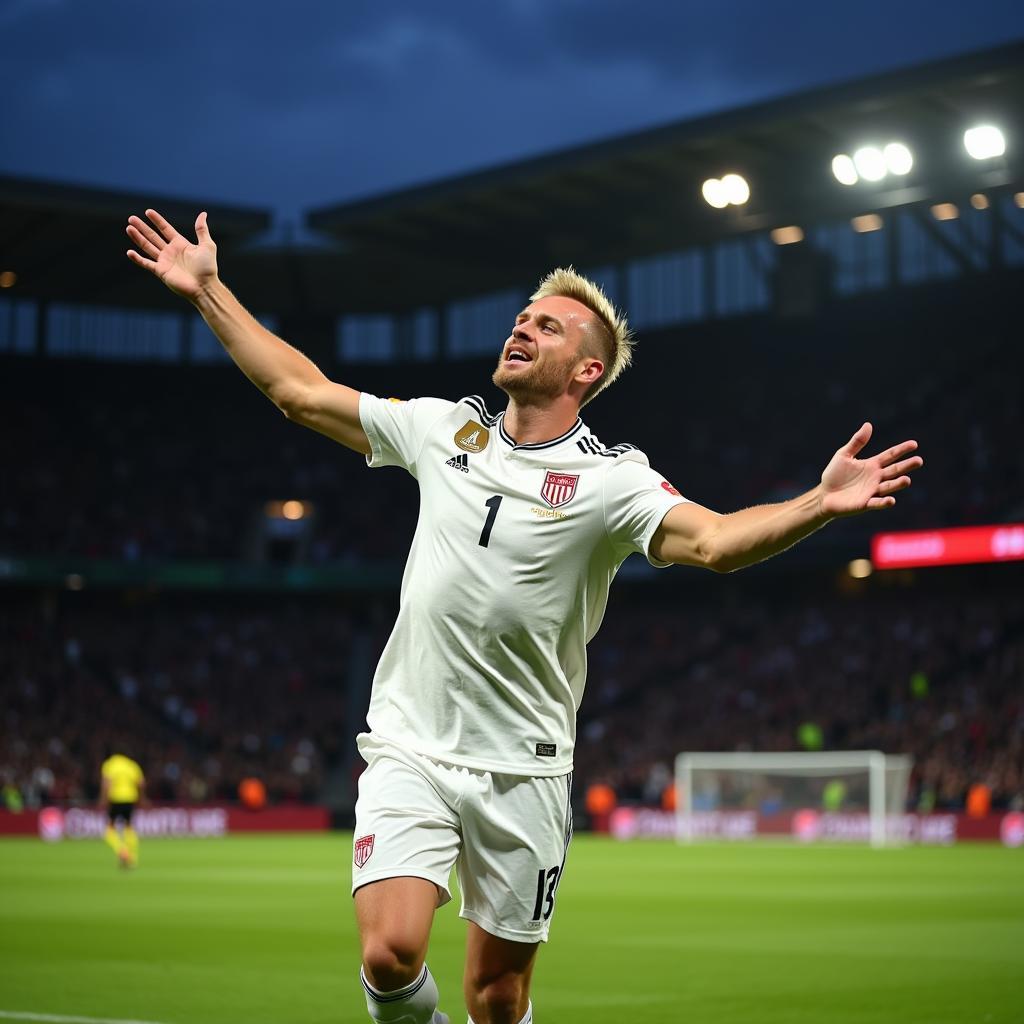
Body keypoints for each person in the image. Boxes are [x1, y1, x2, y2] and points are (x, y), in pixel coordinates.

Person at [126, 209, 923, 1024]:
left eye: (547, 326)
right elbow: (300, 393)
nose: (522, 328)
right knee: (389, 954)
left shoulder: (614, 482)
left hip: (525, 768)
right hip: (411, 744)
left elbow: (717, 543)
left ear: (585, 372)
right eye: (522, 319)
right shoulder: (445, 430)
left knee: (497, 997)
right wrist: (209, 290)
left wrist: (820, 504)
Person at [99, 749, 145, 869]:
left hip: (115, 799)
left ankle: (122, 851)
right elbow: (141, 783)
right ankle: (132, 856)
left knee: (109, 830)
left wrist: (103, 799)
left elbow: (106, 784)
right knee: (129, 828)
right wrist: (142, 798)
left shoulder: (110, 764)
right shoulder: (132, 765)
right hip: (130, 799)